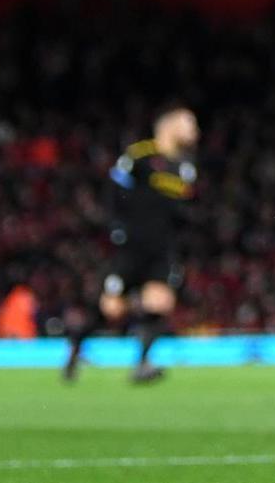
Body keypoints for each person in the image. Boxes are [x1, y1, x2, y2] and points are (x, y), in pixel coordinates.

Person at [63, 105, 199, 384]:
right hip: (131, 244)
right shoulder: (140, 155)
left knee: (160, 303)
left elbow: (180, 209)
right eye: (189, 123)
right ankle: (76, 347)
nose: (195, 130)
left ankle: (142, 363)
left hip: (162, 248)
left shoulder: (186, 167)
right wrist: (117, 228)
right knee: (112, 308)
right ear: (168, 125)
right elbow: (114, 190)